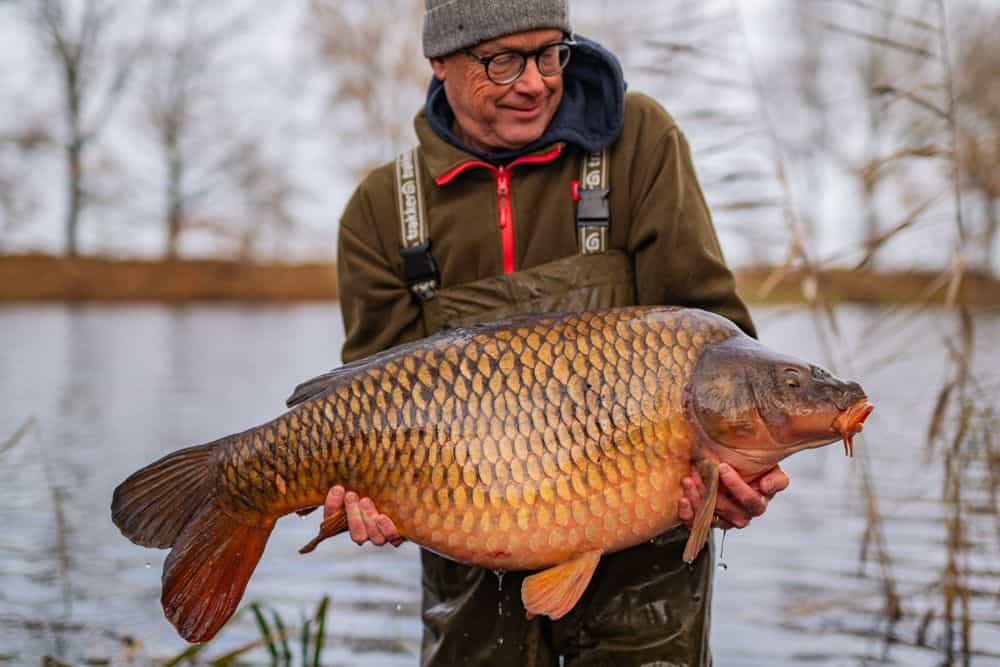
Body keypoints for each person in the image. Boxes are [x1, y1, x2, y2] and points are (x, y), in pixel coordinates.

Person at [322, 1, 789, 664]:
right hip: (472, 555)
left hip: (643, 563)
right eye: (503, 60)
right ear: (440, 62)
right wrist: (374, 501)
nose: (537, 81)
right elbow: (369, 404)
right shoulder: (380, 212)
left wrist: (736, 471)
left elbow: (717, 344)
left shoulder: (638, 143)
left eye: (549, 53)